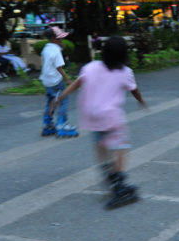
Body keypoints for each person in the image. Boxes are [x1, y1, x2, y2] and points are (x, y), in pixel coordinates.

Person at [54, 36, 147, 209]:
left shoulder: (91, 67)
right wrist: (141, 101)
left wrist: (61, 97)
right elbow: (134, 90)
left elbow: (76, 84)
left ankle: (108, 174)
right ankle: (119, 184)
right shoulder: (125, 71)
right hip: (111, 116)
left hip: (92, 114)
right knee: (121, 146)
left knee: (101, 146)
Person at [39, 26, 78, 137]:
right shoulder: (56, 51)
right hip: (55, 80)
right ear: (54, 39)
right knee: (62, 101)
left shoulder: (46, 48)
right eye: (60, 39)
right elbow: (59, 67)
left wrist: (60, 47)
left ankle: (47, 125)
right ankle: (62, 124)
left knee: (50, 102)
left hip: (46, 80)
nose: (61, 40)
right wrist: (68, 80)